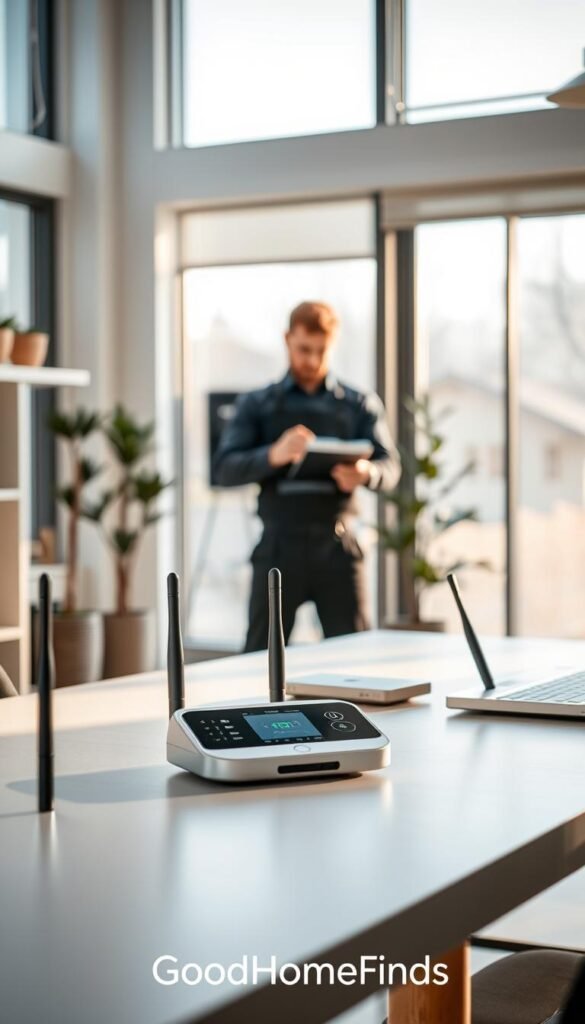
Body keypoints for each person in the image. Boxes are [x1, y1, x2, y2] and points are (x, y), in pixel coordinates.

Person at [213, 301, 400, 651]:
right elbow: (223, 468)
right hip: (277, 550)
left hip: (339, 548)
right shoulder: (256, 404)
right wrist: (274, 454)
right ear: (287, 340)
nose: (311, 361)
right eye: (303, 350)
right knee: (259, 659)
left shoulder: (358, 404)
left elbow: (391, 467)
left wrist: (365, 473)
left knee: (355, 661)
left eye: (321, 351)